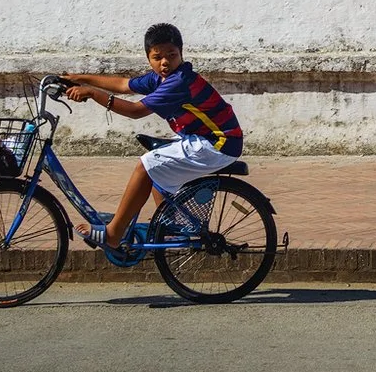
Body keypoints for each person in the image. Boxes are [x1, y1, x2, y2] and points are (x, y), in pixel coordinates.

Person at [61, 21, 243, 253]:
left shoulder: (179, 82)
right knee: (159, 173)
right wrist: (81, 78)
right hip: (204, 139)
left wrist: (93, 93)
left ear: (181, 54)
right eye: (157, 57)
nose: (165, 62)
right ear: (149, 58)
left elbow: (136, 111)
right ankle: (171, 229)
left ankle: (114, 234)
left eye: (171, 55)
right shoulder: (160, 78)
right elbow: (123, 84)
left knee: (145, 166)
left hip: (218, 144)